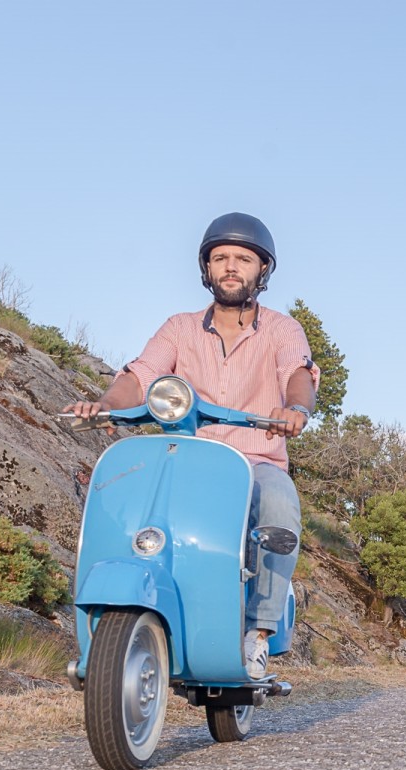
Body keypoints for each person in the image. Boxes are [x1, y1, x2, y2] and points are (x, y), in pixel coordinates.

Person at [63, 212, 319, 680]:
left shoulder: (282, 330)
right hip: (184, 457)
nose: (230, 266)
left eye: (243, 258)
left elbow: (297, 375)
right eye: (220, 257)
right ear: (206, 268)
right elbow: (139, 377)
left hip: (253, 459)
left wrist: (294, 410)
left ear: (263, 270)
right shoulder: (179, 327)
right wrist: (104, 405)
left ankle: (258, 634)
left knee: (279, 502)